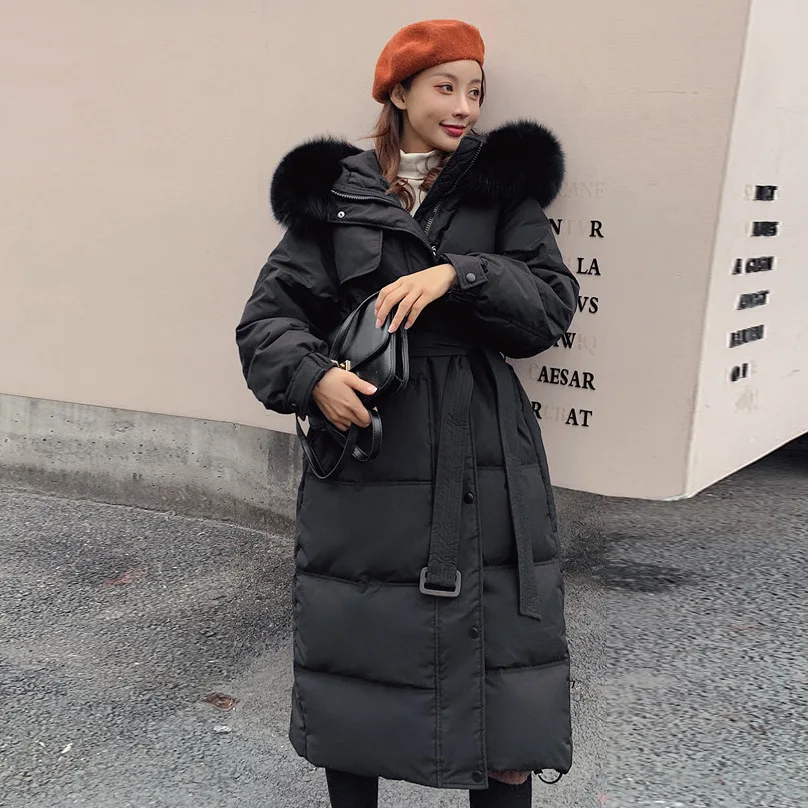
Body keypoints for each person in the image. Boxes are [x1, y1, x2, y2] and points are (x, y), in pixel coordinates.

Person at [236, 18, 579, 808]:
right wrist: (314, 378)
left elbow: (551, 308)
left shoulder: (502, 191)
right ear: (398, 92)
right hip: (370, 451)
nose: (464, 107)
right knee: (357, 666)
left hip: (482, 452)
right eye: (445, 87)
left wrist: (460, 273)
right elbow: (267, 321)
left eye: (475, 91)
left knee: (504, 690)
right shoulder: (338, 197)